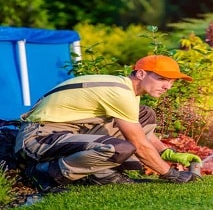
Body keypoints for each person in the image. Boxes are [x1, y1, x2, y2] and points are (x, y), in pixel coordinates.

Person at [14, 55, 203, 192]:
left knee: (145, 114)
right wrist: (171, 174)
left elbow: (137, 129)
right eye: (162, 79)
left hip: (65, 131)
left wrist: (167, 153)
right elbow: (139, 144)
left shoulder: (125, 89)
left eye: (171, 82)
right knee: (119, 149)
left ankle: (102, 176)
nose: (167, 87)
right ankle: (45, 174)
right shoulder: (120, 93)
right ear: (141, 74)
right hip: (38, 138)